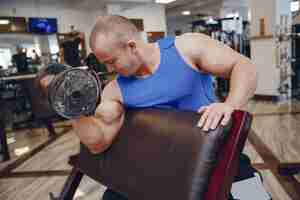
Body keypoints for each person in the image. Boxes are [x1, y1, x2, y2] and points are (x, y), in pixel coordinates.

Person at [39, 15, 257, 200]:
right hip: (161, 171)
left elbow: (244, 66)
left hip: (220, 158)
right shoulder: (115, 90)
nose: (109, 68)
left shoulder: (187, 48)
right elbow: (98, 142)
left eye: (112, 61)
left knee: (256, 195)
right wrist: (73, 108)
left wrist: (230, 105)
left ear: (132, 46)